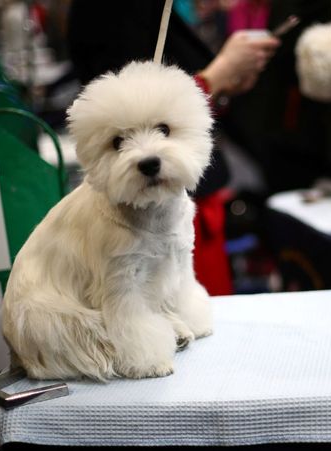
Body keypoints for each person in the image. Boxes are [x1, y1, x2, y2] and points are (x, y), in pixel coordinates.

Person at [67, 0, 279, 295]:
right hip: (151, 213)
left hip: (184, 197)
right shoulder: (117, 11)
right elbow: (121, 102)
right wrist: (217, 76)